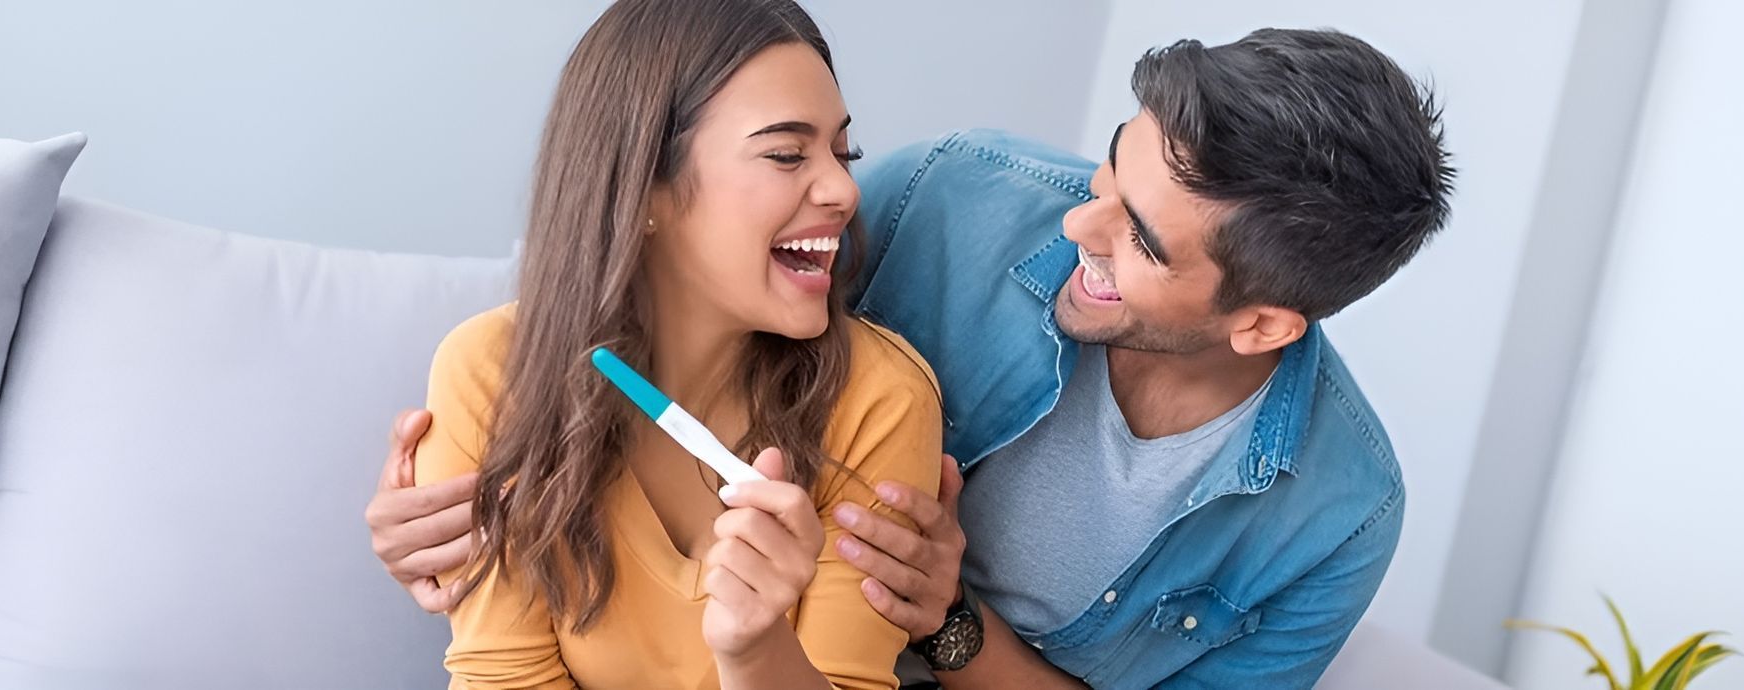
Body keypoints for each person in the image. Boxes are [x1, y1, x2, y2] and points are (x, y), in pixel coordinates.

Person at [369, 26, 1454, 689]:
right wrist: (490, 501)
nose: (1083, 226)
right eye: (1109, 175)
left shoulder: (1339, 514)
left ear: (1260, 326)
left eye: (1141, 240)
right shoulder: (945, 192)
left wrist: (949, 629)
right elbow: (693, 290)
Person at [392, 0, 945, 687]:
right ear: (644, 184)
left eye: (842, 152)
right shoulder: (489, 373)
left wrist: (755, 650)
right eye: (785, 154)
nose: (842, 189)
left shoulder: (882, 399)